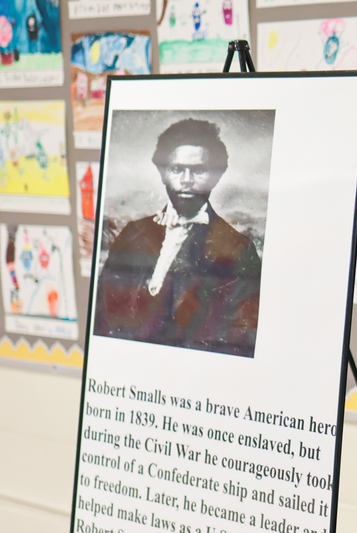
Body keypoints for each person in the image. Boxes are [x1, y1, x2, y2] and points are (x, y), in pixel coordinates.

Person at [94, 118, 261, 357]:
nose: (186, 180)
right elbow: (102, 312)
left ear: (217, 175)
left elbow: (240, 339)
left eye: (198, 170)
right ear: (162, 173)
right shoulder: (134, 233)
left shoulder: (238, 249)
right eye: (176, 169)